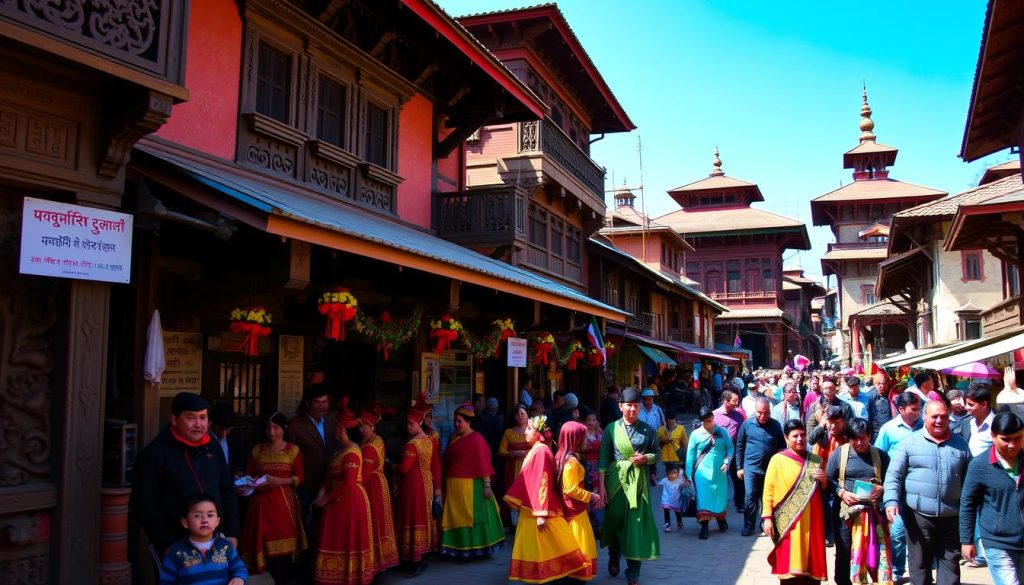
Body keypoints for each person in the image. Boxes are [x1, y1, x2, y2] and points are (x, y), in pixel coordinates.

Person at [135, 392, 240, 558]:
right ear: (175, 420)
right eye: (191, 418)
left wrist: (233, 533)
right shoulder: (156, 454)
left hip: (217, 542)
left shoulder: (212, 446)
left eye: (203, 417)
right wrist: (166, 544)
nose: (198, 424)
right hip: (176, 545)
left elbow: (227, 490)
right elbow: (144, 504)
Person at [883, 400, 970, 585]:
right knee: (919, 567)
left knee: (951, 566)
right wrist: (890, 501)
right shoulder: (908, 443)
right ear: (925, 418)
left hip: (951, 516)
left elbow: (969, 481)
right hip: (918, 517)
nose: (939, 421)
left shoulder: (961, 445)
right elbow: (893, 475)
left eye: (944, 417)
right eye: (934, 417)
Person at [504, 416, 588, 583]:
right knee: (540, 546)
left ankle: (558, 574)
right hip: (533, 508)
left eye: (529, 429)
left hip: (539, 509)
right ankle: (543, 575)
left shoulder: (541, 450)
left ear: (537, 433)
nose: (525, 432)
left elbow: (543, 481)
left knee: (551, 545)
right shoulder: (537, 448)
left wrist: (541, 513)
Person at [598, 388, 660, 585]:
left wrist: (646, 458)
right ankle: (614, 554)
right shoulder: (610, 429)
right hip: (615, 482)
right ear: (620, 406)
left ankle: (633, 572)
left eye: (636, 405)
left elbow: (656, 454)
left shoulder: (647, 429)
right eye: (628, 405)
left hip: (638, 484)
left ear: (640, 407)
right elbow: (603, 460)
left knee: (635, 525)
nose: (632, 409)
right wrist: (601, 488)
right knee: (615, 520)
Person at [312, 398, 374, 585]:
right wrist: (322, 492)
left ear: (343, 430)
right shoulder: (340, 451)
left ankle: (348, 577)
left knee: (346, 539)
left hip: (349, 501)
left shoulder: (352, 452)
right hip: (338, 501)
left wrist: (325, 499)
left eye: (338, 427)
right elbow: (330, 475)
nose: (335, 430)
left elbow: (349, 484)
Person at [238, 412, 307, 583]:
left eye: (275, 428)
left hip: (283, 503)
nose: (271, 432)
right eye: (268, 427)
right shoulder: (258, 449)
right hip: (260, 504)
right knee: (259, 542)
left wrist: (280, 481)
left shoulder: (293, 450)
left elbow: (299, 477)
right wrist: (253, 482)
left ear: (284, 429)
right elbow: (248, 475)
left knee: (282, 551)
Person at [960, 412, 1024, 585]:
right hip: (997, 542)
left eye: (1018, 438)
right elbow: (968, 504)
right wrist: (967, 540)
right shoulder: (979, 465)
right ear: (993, 436)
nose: (1012, 445)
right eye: (1006, 439)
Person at [761, 419, 828, 584]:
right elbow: (768, 490)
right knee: (790, 571)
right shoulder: (777, 460)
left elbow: (823, 490)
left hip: (813, 521)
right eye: (795, 436)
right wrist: (767, 518)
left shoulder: (815, 460)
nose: (800, 439)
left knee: (811, 567)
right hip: (789, 522)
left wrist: (824, 480)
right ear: (786, 438)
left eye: (803, 435)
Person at [826, 418, 891, 585]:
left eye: (863, 438)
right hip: (846, 514)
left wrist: (882, 489)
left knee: (876, 552)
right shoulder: (839, 454)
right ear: (849, 438)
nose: (860, 442)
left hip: (874, 513)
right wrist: (841, 492)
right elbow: (829, 479)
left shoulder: (880, 456)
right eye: (855, 439)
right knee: (845, 550)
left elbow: (892, 480)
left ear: (870, 436)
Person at [440, 403, 505, 558]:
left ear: (468, 422)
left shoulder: (477, 439)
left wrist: (487, 486)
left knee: (472, 518)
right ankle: (458, 548)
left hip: (472, 486)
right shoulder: (454, 438)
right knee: (455, 517)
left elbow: (484, 463)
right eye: (455, 421)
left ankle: (476, 549)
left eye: (459, 421)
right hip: (454, 487)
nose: (456, 424)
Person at [874, 390, 923, 584]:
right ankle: (896, 570)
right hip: (896, 488)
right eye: (914, 409)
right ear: (901, 409)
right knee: (897, 532)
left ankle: (918, 570)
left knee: (920, 532)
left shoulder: (924, 427)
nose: (918, 412)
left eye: (919, 408)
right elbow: (879, 456)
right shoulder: (889, 429)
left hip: (920, 487)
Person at [395, 397, 441, 577]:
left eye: (411, 423)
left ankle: (411, 559)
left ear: (419, 422)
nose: (408, 426)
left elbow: (405, 468)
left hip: (413, 484)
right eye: (407, 423)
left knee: (411, 517)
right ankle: (419, 556)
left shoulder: (412, 444)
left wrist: (392, 466)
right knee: (421, 517)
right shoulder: (428, 440)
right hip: (426, 483)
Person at [159, 495, 247, 585]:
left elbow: (239, 568)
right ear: (185, 522)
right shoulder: (175, 552)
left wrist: (239, 578)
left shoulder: (226, 546)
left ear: (217, 521)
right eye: (197, 516)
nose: (205, 520)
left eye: (210, 515)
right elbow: (166, 581)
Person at [955, 382, 996, 569]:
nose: (967, 408)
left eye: (971, 405)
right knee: (971, 512)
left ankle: (987, 552)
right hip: (968, 478)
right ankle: (976, 552)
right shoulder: (965, 423)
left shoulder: (997, 424)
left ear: (984, 404)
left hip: (992, 479)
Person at [558, 421, 602, 582]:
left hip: (572, 508)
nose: (586, 441)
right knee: (579, 543)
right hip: (574, 510)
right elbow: (570, 489)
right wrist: (591, 496)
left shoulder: (566, 457)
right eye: (583, 438)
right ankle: (576, 573)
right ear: (575, 439)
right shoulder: (571, 463)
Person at [358, 405, 399, 575]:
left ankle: (376, 562)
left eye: (364, 426)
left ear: (372, 427)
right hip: (377, 482)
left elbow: (364, 474)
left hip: (371, 486)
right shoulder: (374, 440)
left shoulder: (370, 446)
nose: (361, 429)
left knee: (373, 521)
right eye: (360, 426)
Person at [736, 397, 785, 537]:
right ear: (755, 411)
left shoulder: (775, 425)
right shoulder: (747, 424)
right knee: (750, 496)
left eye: (766, 413)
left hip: (770, 468)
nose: (763, 416)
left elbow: (782, 446)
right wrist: (739, 467)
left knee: (767, 498)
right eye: (760, 413)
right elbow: (739, 446)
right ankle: (749, 526)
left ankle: (765, 524)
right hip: (751, 468)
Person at [290, 383, 338, 521]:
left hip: (329, 482)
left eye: (325, 402)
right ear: (307, 403)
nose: (322, 406)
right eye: (317, 402)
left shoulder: (331, 420)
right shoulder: (296, 425)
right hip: (307, 484)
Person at [686, 406, 734, 539]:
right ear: (702, 421)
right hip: (701, 472)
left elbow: (730, 447)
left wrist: (727, 461)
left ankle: (720, 519)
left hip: (720, 472)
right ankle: (705, 526)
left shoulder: (722, 432)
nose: (710, 423)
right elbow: (690, 455)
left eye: (711, 419)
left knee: (719, 496)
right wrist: (688, 474)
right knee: (703, 497)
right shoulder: (695, 434)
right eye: (707, 421)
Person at [499, 403, 530, 527]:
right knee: (514, 496)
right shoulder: (508, 432)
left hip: (530, 467)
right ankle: (515, 524)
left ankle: (528, 522)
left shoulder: (534, 430)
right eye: (517, 414)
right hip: (513, 468)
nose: (520, 416)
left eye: (522, 413)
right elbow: (501, 451)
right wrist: (513, 454)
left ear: (528, 414)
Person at [713, 390, 746, 512]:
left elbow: (744, 432)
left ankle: (740, 503)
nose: (737, 404)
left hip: (736, 452)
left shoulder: (739, 415)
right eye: (734, 401)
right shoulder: (714, 415)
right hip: (720, 453)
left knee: (739, 477)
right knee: (720, 478)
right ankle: (719, 504)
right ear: (725, 401)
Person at [581, 410, 605, 533]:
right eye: (589, 420)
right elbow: (582, 448)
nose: (591, 422)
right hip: (588, 467)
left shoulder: (600, 432)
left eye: (594, 420)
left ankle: (600, 522)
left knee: (600, 492)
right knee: (590, 493)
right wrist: (594, 446)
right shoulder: (583, 433)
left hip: (599, 465)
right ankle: (593, 522)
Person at [210, 403, 242, 475]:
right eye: (221, 429)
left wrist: (238, 472)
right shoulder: (204, 440)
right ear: (211, 423)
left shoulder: (233, 438)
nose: (224, 434)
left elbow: (237, 462)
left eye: (227, 430)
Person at [658, 408, 688, 478]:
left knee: (675, 480)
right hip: (666, 461)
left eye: (673, 418)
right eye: (670, 418)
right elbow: (657, 443)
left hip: (676, 460)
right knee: (669, 480)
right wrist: (664, 440)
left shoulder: (681, 428)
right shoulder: (661, 429)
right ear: (666, 419)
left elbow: (686, 445)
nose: (671, 421)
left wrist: (686, 458)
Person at [658, 465, 687, 532]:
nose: (672, 475)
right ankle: (667, 524)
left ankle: (679, 522)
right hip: (666, 500)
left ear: (678, 474)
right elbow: (659, 484)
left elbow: (683, 485)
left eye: (675, 473)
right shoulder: (664, 480)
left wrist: (686, 483)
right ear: (667, 474)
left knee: (677, 512)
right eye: (670, 473)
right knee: (666, 511)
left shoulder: (679, 481)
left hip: (676, 500)